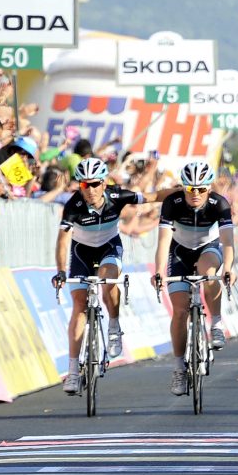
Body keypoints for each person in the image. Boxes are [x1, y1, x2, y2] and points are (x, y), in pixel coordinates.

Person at [51, 159, 177, 395]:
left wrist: (183, 191)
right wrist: (60, 270)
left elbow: (152, 196)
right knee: (79, 305)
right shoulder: (73, 205)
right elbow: (63, 240)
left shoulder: (117, 196)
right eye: (84, 185)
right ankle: (73, 371)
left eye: (95, 184)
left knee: (109, 281)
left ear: (104, 182)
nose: (90, 189)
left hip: (109, 247)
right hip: (81, 253)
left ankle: (114, 325)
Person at [153, 161, 236, 397]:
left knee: (207, 273)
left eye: (201, 189)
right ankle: (179, 368)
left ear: (209, 188)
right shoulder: (172, 203)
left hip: (208, 249)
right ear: (184, 188)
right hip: (179, 252)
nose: (196, 194)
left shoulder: (219, 204)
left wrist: (229, 267)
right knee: (180, 311)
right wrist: (159, 271)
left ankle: (217, 322)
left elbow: (228, 241)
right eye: (191, 189)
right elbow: (163, 242)